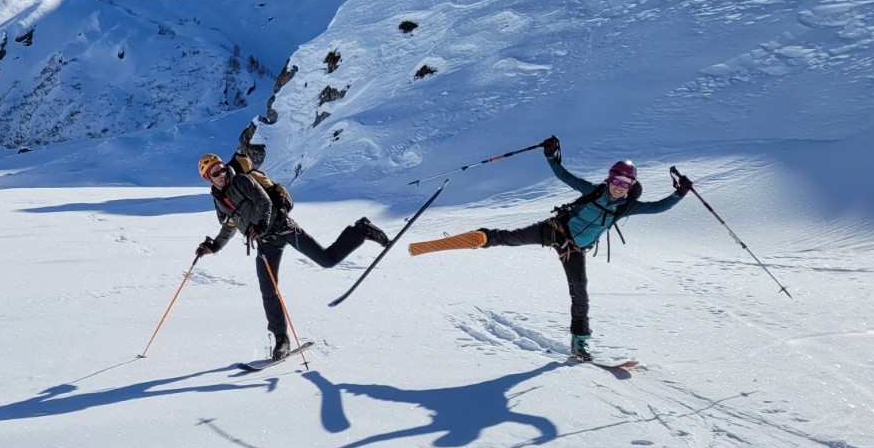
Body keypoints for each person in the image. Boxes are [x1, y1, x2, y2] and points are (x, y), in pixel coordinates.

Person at [405, 136, 692, 361]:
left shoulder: (626, 208)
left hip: (574, 251)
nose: (619, 187)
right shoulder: (593, 191)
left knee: (580, 295)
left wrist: (679, 193)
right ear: (609, 178)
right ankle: (478, 238)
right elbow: (565, 177)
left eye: (625, 183)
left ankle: (579, 344)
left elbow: (659, 208)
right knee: (510, 237)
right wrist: (551, 155)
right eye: (616, 180)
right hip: (555, 232)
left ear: (631, 185)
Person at [194, 152, 391, 359]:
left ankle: (361, 230)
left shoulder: (241, 181)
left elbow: (264, 202)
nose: (222, 174)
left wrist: (261, 224)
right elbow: (230, 225)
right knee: (268, 290)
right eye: (216, 173)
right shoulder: (219, 200)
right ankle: (281, 340)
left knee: (327, 259)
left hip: (283, 229)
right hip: (265, 243)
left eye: (222, 168)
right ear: (208, 178)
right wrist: (214, 246)